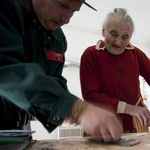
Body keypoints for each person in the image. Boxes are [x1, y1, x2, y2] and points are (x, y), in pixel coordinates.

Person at [0, 0, 122, 142]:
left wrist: (70, 108)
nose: (66, 19)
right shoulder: (5, 8)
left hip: (18, 132)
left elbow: (52, 83)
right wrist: (77, 109)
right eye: (63, 5)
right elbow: (7, 71)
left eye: (73, 11)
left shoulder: (57, 39)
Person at [80, 7, 150, 133]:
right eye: (113, 34)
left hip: (136, 125)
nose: (118, 42)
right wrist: (128, 108)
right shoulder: (90, 55)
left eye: (125, 37)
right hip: (102, 126)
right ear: (103, 31)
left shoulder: (136, 54)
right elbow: (91, 96)